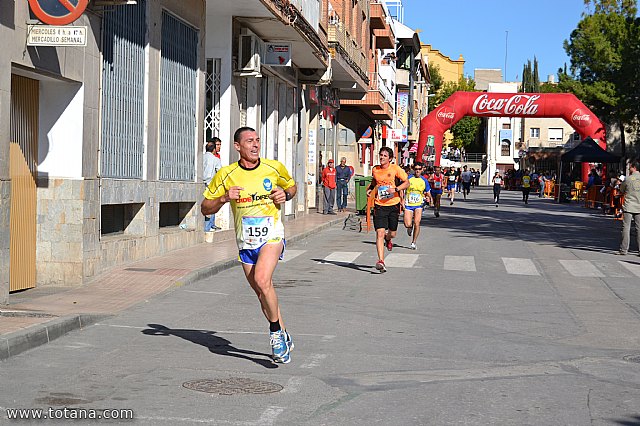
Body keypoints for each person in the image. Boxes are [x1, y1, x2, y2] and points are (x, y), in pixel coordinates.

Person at [201, 127, 297, 364]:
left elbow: (292, 187)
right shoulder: (226, 174)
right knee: (262, 291)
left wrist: (285, 194)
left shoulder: (273, 168)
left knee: (263, 281)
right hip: (246, 241)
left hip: (271, 235)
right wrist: (224, 198)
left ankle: (275, 333)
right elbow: (205, 208)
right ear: (237, 146)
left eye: (257, 141)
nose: (255, 145)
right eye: (249, 141)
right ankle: (283, 333)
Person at [366, 147, 409, 272]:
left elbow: (406, 183)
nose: (382, 157)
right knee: (379, 233)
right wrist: (371, 188)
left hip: (393, 204)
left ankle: (388, 238)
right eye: (381, 155)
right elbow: (375, 180)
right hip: (379, 205)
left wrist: (395, 190)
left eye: (385, 156)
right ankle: (381, 261)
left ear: (390, 158)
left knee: (392, 233)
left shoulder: (395, 169)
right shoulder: (375, 169)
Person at [403, 162, 431, 250]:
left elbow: (428, 192)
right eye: (416, 169)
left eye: (419, 169)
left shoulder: (424, 180)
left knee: (417, 222)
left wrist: (428, 198)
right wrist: (402, 199)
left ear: (422, 169)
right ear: (413, 169)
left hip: (419, 204)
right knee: (407, 224)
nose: (417, 171)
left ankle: (413, 242)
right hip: (408, 203)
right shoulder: (409, 178)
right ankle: (409, 227)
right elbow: (402, 188)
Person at [617, 159, 640, 255]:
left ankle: (624, 249)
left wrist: (619, 184)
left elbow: (622, 190)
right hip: (639, 206)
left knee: (626, 227)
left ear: (634, 167)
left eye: (630, 166)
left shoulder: (628, 179)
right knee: (639, 228)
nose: (629, 168)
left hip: (629, 205)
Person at [203, 138, 222, 233]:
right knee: (212, 205)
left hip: (202, 182)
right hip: (211, 185)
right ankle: (208, 227)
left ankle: (208, 226)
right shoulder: (215, 159)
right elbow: (220, 172)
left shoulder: (201, 157)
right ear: (214, 149)